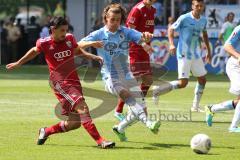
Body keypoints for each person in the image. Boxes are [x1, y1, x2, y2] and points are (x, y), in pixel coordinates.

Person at [6, 16, 115, 148]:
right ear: (53, 29)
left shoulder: (69, 38)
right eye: (62, 30)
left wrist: (90, 56)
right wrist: (19, 63)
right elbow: (34, 51)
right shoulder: (44, 43)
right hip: (60, 82)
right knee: (83, 108)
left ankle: (46, 131)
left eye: (66, 30)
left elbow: (76, 50)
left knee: (73, 123)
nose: (64, 33)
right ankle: (100, 141)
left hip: (74, 80)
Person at [78, 3, 160, 142]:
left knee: (141, 111)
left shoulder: (125, 31)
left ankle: (120, 128)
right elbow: (78, 44)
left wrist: (146, 36)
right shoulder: (99, 34)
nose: (115, 23)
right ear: (106, 19)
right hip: (110, 76)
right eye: (112, 20)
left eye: (118, 20)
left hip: (127, 75)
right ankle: (148, 123)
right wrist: (91, 44)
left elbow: (140, 37)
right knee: (125, 94)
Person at [153, 0, 212, 112]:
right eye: (196, 6)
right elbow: (171, 29)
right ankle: (159, 89)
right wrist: (171, 44)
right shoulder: (184, 18)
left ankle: (195, 107)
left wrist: (209, 51)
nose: (199, 8)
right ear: (192, 6)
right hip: (184, 53)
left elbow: (204, 34)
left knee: (202, 80)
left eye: (201, 6)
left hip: (196, 54)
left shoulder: (204, 20)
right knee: (182, 83)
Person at [113, 0, 157, 121]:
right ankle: (120, 110)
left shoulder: (153, 10)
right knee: (134, 81)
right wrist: (143, 35)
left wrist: (148, 40)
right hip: (134, 48)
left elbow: (148, 28)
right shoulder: (137, 9)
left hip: (144, 48)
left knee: (148, 80)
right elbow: (129, 30)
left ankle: (137, 105)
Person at [205, 25, 240, 133]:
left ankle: (212, 108)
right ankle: (233, 126)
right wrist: (238, 56)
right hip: (235, 65)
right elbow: (227, 46)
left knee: (239, 101)